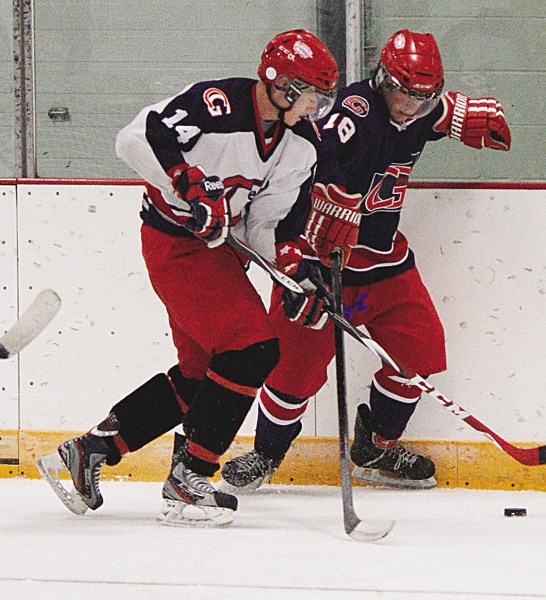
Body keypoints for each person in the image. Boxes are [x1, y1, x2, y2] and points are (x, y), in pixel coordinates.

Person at [37, 29, 339, 528]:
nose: (314, 107)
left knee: (203, 377)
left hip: (221, 256)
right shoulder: (215, 105)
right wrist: (186, 187)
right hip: (175, 247)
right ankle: (189, 477)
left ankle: (90, 450)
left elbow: (262, 225)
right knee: (253, 350)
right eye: (310, 95)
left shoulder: (301, 147)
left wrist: (295, 274)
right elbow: (135, 138)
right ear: (280, 85)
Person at [220, 29, 511, 492]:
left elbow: (439, 111)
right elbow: (314, 151)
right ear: (382, 79)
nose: (410, 105)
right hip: (321, 268)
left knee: (419, 353)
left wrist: (463, 115)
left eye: (423, 95)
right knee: (293, 372)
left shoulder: (420, 107)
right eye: (402, 92)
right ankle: (264, 455)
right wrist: (327, 192)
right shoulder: (355, 111)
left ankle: (375, 449)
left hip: (386, 268)